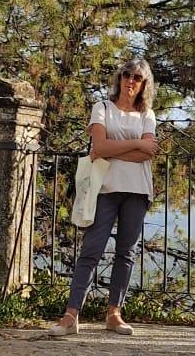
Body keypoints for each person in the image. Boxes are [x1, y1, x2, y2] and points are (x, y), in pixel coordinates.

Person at [51, 58, 158, 337]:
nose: (130, 81)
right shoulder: (103, 108)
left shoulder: (148, 115)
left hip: (137, 189)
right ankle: (71, 315)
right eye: (126, 75)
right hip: (105, 189)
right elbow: (99, 146)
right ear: (119, 78)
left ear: (144, 83)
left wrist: (113, 149)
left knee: (126, 253)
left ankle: (114, 314)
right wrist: (135, 143)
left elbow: (147, 153)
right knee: (91, 251)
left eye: (137, 77)